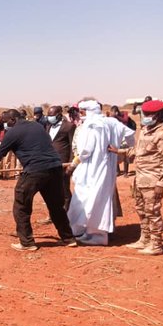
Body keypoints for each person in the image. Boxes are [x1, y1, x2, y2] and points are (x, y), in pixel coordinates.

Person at [0, 109, 75, 251]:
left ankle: (27, 242)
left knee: (21, 205)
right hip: (55, 168)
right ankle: (68, 238)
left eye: (5, 122)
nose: (5, 125)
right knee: (56, 206)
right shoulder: (36, 126)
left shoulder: (12, 133)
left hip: (35, 170)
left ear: (13, 120)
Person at [110, 100, 163, 255]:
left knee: (152, 212)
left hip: (153, 180)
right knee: (141, 209)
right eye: (144, 114)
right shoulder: (146, 130)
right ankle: (145, 239)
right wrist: (118, 151)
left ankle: (156, 244)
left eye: (148, 114)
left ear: (159, 114)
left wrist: (161, 183)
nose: (145, 117)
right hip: (140, 178)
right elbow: (138, 151)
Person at [66, 100, 114, 246]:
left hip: (93, 168)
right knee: (86, 200)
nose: (80, 115)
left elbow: (87, 150)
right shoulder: (105, 123)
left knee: (93, 201)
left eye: (82, 112)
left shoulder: (94, 126)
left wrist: (75, 163)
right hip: (95, 167)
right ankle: (83, 231)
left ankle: (97, 235)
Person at [45, 106, 76, 211]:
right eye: (48, 115)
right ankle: (55, 212)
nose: (50, 117)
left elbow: (72, 146)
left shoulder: (69, 126)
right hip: (50, 162)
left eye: (52, 115)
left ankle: (67, 212)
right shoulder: (48, 126)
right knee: (52, 188)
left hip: (63, 162)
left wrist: (71, 163)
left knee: (64, 188)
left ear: (59, 115)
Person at [0, 113, 17, 179]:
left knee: (7, 159)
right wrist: (1, 120)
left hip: (9, 143)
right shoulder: (1, 124)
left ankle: (6, 174)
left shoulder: (11, 124)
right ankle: (0, 173)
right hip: (1, 142)